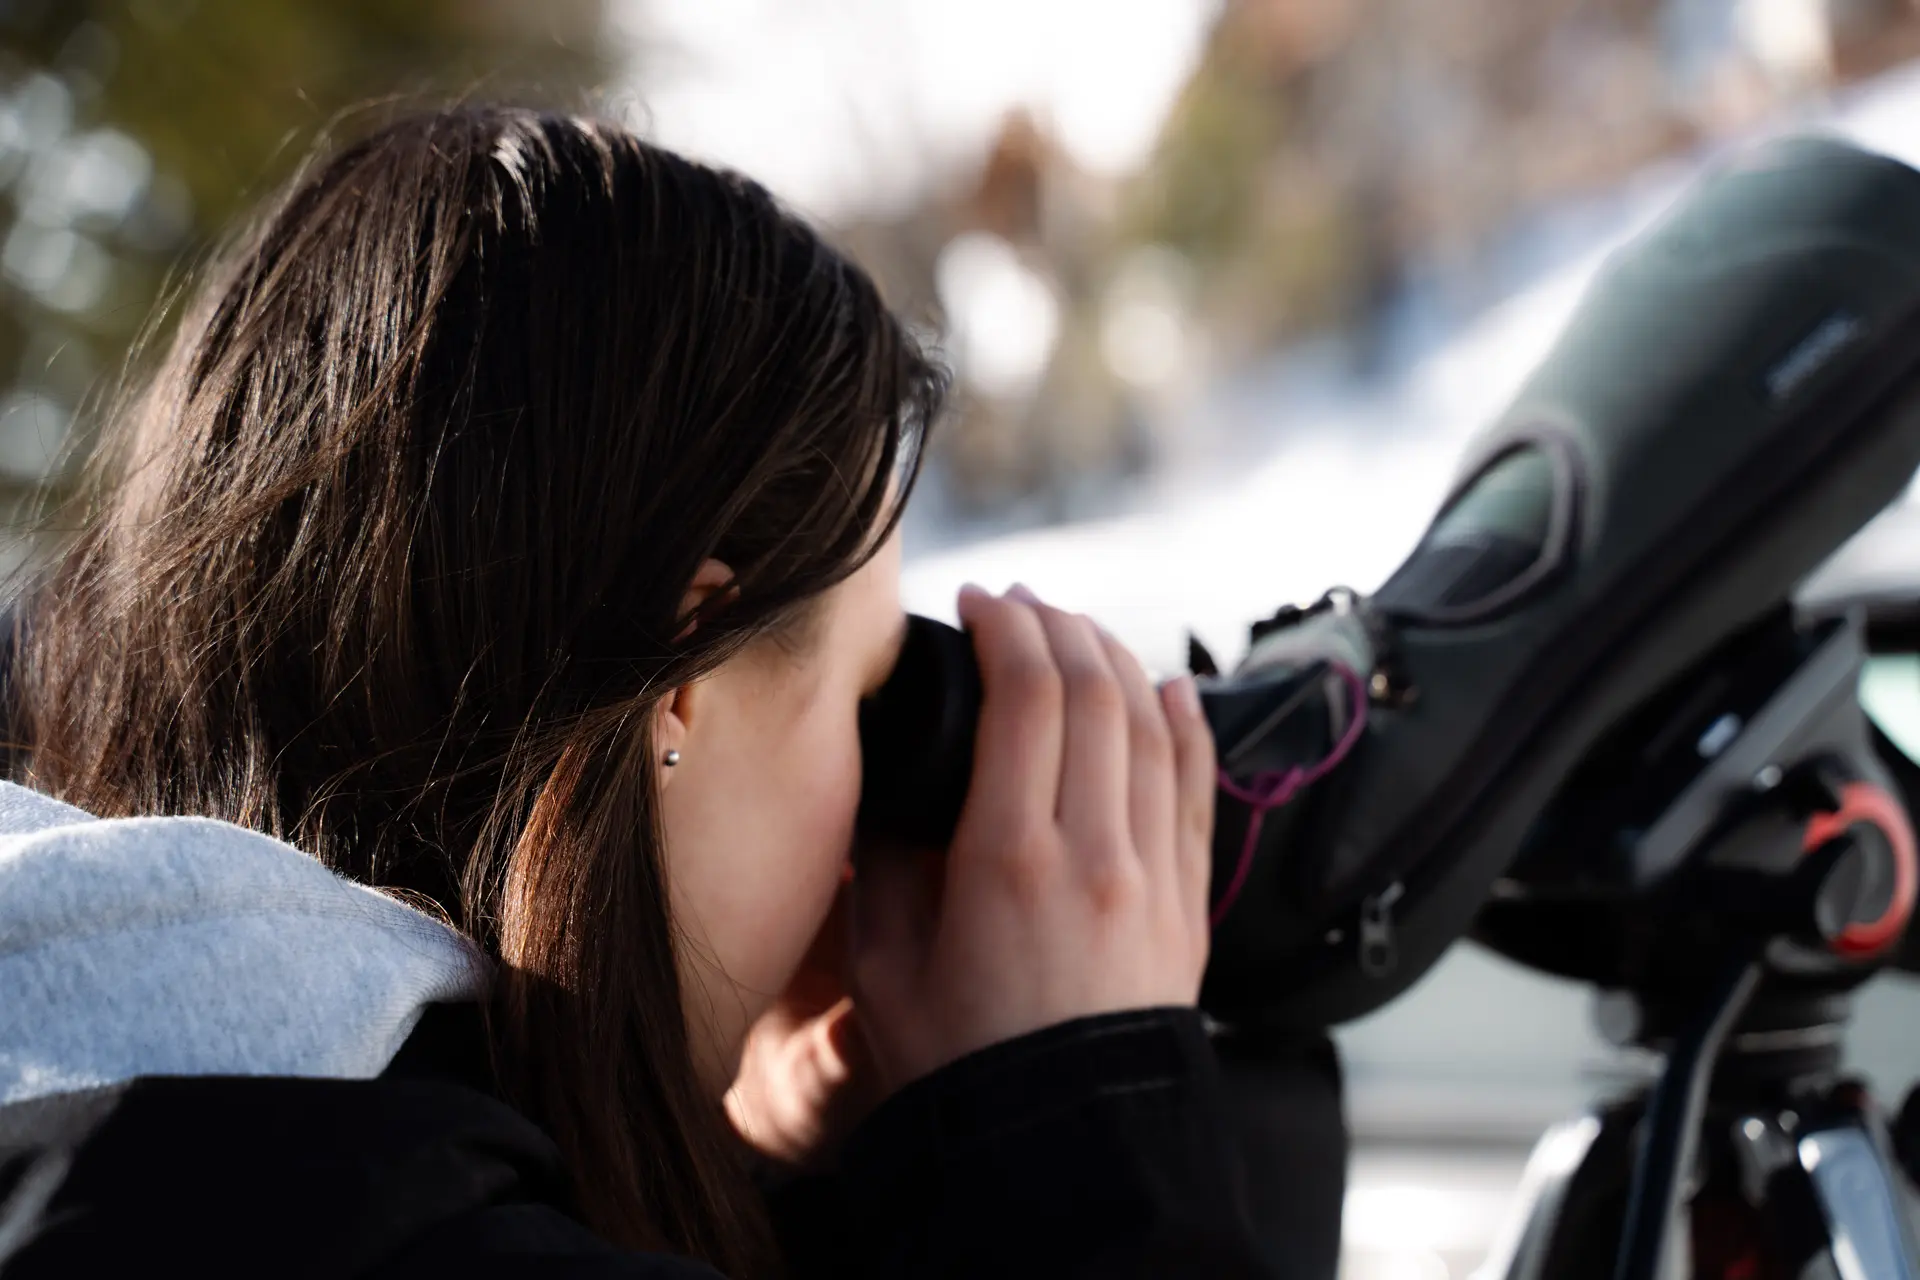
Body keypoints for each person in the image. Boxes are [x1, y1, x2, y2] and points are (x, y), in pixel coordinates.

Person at [0, 107, 1345, 1278]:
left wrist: (762, 1163)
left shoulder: (148, 1115)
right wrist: (1084, 1139)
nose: (858, 840)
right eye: (868, 701)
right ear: (684, 674)